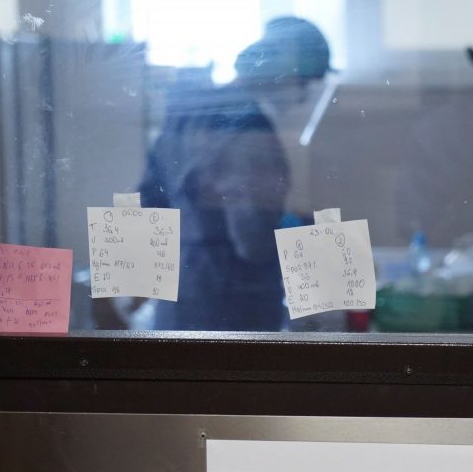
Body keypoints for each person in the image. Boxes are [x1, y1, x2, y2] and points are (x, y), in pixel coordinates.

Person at [138, 17, 332, 331]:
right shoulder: (249, 128)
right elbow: (252, 239)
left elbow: (150, 200)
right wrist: (307, 238)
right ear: (281, 72)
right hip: (231, 307)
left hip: (182, 294)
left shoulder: (191, 113)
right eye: (304, 83)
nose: (303, 97)